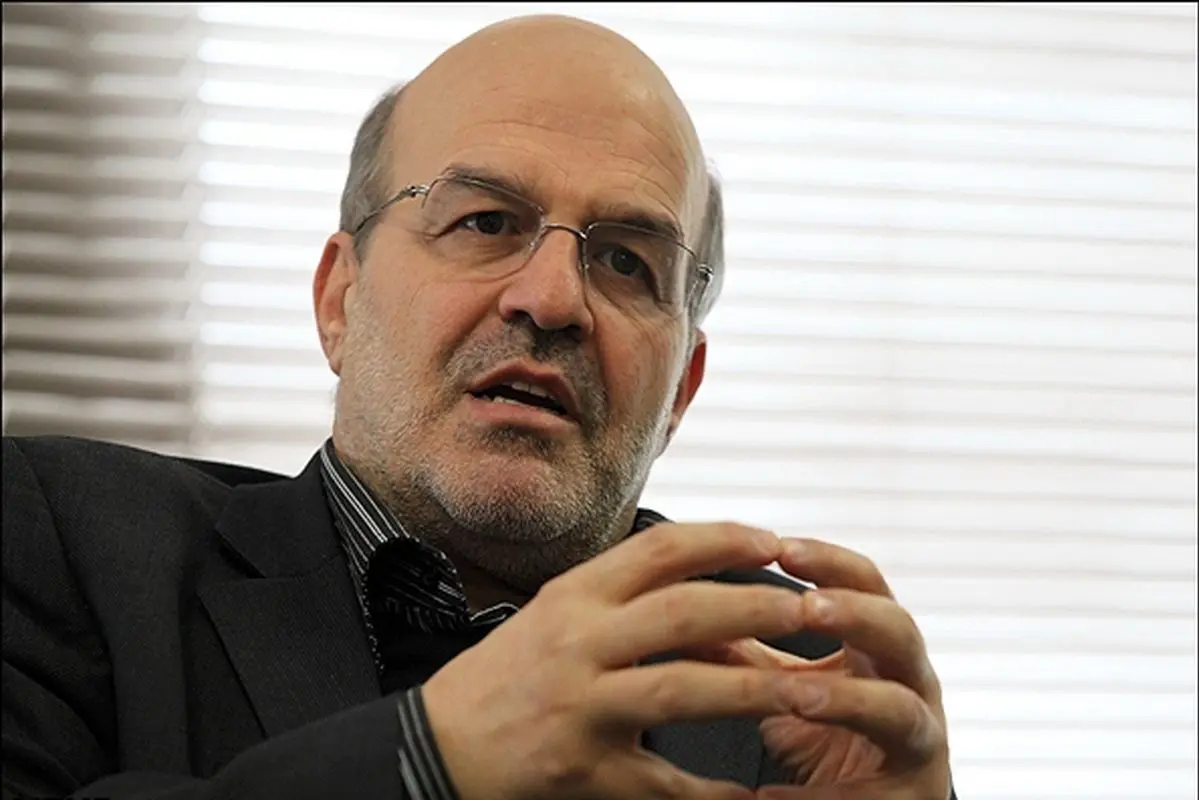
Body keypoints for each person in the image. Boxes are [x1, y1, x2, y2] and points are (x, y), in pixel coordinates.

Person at [2, 14, 957, 800]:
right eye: (485, 221)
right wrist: (431, 761)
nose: (553, 299)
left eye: (627, 262)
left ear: (681, 391)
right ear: (340, 302)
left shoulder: (797, 679)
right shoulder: (63, 543)